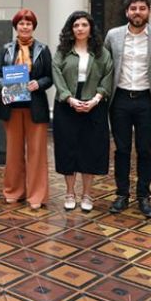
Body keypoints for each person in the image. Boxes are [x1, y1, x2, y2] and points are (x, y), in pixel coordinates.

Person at [105, 0, 151, 219]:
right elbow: (106, 66)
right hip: (120, 100)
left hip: (146, 99)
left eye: (142, 8)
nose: (137, 12)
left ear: (149, 12)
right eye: (133, 8)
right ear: (127, 12)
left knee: (145, 150)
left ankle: (144, 197)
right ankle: (122, 194)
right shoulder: (113, 36)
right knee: (122, 149)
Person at [52, 11, 114, 213]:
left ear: (90, 28)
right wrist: (69, 98)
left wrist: (96, 99)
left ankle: (87, 194)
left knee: (90, 150)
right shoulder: (62, 51)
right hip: (67, 105)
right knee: (67, 149)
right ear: (71, 29)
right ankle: (70, 193)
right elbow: (57, 74)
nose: (79, 28)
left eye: (83, 25)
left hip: (94, 106)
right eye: (76, 25)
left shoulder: (102, 52)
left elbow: (108, 76)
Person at [0, 9, 53, 211]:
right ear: (16, 27)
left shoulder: (43, 49)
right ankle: (13, 191)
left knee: (37, 153)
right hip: (11, 107)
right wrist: (4, 84)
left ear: (33, 26)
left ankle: (37, 195)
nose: (25, 27)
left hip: (35, 107)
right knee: (13, 152)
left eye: (28, 23)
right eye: (21, 23)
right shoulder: (6, 49)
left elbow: (50, 77)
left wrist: (38, 84)